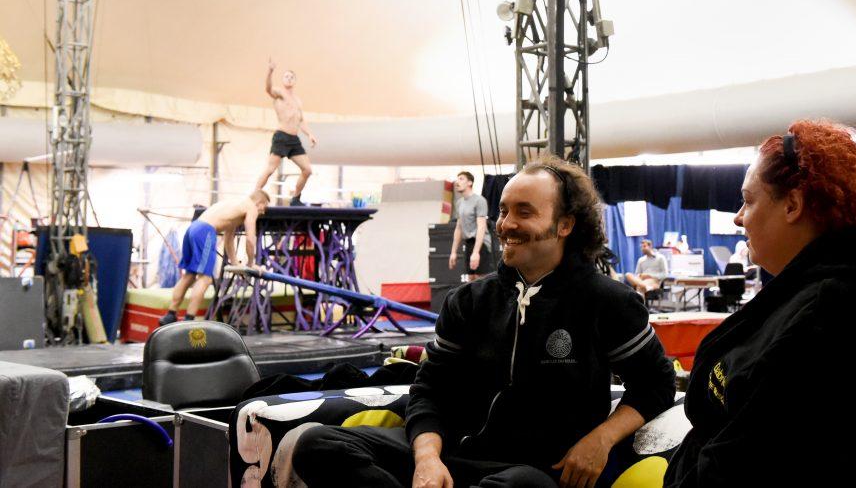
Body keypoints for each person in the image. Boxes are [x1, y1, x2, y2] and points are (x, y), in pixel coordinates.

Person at [293, 156, 676, 488]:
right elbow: (430, 387)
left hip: (532, 470)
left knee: (522, 486)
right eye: (504, 210)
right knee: (317, 444)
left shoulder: (608, 301)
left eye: (524, 212)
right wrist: (427, 457)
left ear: (565, 225)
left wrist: (600, 440)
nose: (506, 224)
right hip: (454, 456)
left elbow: (655, 384)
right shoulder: (470, 301)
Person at [663, 120, 856, 488]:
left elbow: (740, 468)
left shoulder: (824, 322)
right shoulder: (853, 301)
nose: (739, 217)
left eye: (749, 200)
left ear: (793, 205)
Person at [157, 191, 270, 326]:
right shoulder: (251, 207)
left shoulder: (235, 204)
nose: (263, 212)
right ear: (260, 203)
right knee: (205, 278)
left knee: (189, 275)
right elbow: (251, 239)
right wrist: (252, 264)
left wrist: (235, 263)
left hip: (193, 228)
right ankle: (188, 320)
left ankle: (170, 315)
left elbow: (228, 239)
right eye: (265, 207)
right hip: (205, 231)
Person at [255, 58, 317, 206]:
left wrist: (309, 134)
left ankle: (295, 198)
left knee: (307, 170)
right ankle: (254, 195)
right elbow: (268, 89)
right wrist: (270, 71)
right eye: (286, 76)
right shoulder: (279, 93)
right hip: (282, 136)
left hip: (294, 140)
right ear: (283, 80)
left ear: (295, 81)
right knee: (270, 169)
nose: (288, 78)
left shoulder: (297, 101)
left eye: (291, 77)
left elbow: (301, 120)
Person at [448, 171, 493, 281]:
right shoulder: (459, 203)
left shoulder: (479, 200)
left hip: (481, 243)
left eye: (461, 179)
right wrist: (453, 252)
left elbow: (481, 226)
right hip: (468, 243)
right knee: (471, 279)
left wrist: (476, 252)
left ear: (470, 183)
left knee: (480, 279)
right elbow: (459, 228)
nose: (457, 182)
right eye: (457, 179)